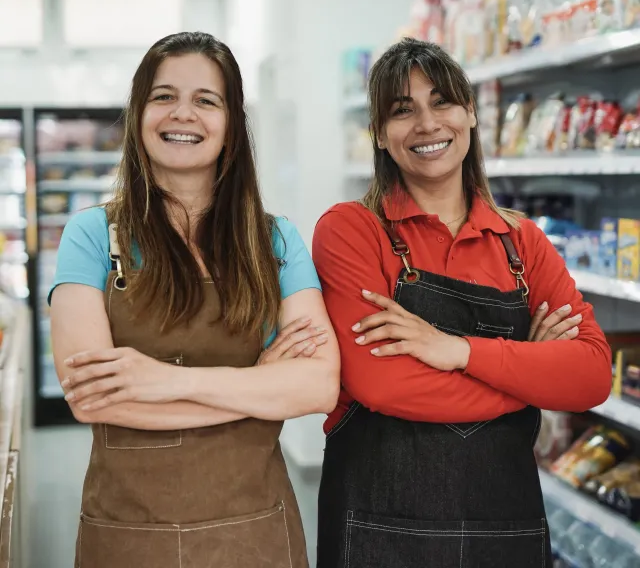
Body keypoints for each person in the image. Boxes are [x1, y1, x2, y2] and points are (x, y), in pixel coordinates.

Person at [312, 38, 611, 568]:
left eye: (443, 101)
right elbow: (383, 381)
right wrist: (525, 377)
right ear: (380, 134)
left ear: (470, 113)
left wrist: (456, 351)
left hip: (507, 528)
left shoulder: (523, 243)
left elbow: (589, 377)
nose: (427, 123)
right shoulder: (353, 231)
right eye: (402, 111)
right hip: (379, 531)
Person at [49, 31, 340, 568]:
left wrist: (166, 380)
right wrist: (258, 382)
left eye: (206, 100)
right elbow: (92, 397)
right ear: (139, 116)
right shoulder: (92, 235)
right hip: (130, 533)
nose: (182, 114)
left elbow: (318, 385)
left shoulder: (275, 243)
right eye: (163, 96)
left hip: (255, 532)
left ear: (231, 126)